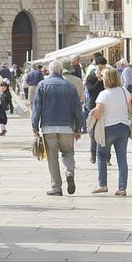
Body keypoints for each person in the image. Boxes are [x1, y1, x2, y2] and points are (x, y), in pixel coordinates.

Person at [32, 61, 84, 195]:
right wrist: (78, 128)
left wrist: (35, 127)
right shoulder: (70, 86)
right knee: (68, 152)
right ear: (61, 71)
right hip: (67, 127)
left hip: (48, 127)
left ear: (49, 71)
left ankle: (56, 188)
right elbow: (77, 109)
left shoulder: (42, 85)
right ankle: (69, 171)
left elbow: (36, 108)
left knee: (52, 157)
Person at [88, 64, 132, 196]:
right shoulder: (125, 92)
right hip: (123, 127)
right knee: (122, 158)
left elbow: (98, 113)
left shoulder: (104, 94)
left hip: (108, 128)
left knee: (101, 155)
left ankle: (103, 185)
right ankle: (122, 188)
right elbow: (130, 109)